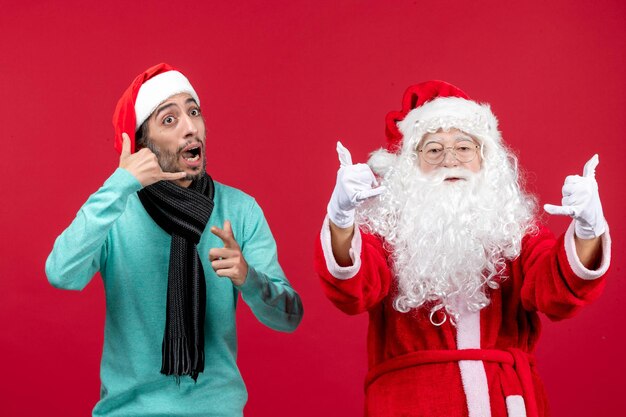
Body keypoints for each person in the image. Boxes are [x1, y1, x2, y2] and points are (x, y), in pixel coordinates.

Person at [314, 80, 610, 417]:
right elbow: (352, 290)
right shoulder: (385, 233)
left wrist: (588, 229)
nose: (450, 160)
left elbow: (557, 295)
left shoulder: (514, 231)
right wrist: (341, 218)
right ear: (412, 165)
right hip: (409, 405)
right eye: (434, 149)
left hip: (504, 403)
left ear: (486, 159)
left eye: (464, 148)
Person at [46, 63, 303, 417]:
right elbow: (61, 273)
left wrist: (248, 277)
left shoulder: (239, 210)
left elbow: (289, 317)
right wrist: (120, 183)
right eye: (169, 120)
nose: (190, 127)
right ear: (142, 145)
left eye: (194, 112)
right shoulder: (116, 209)